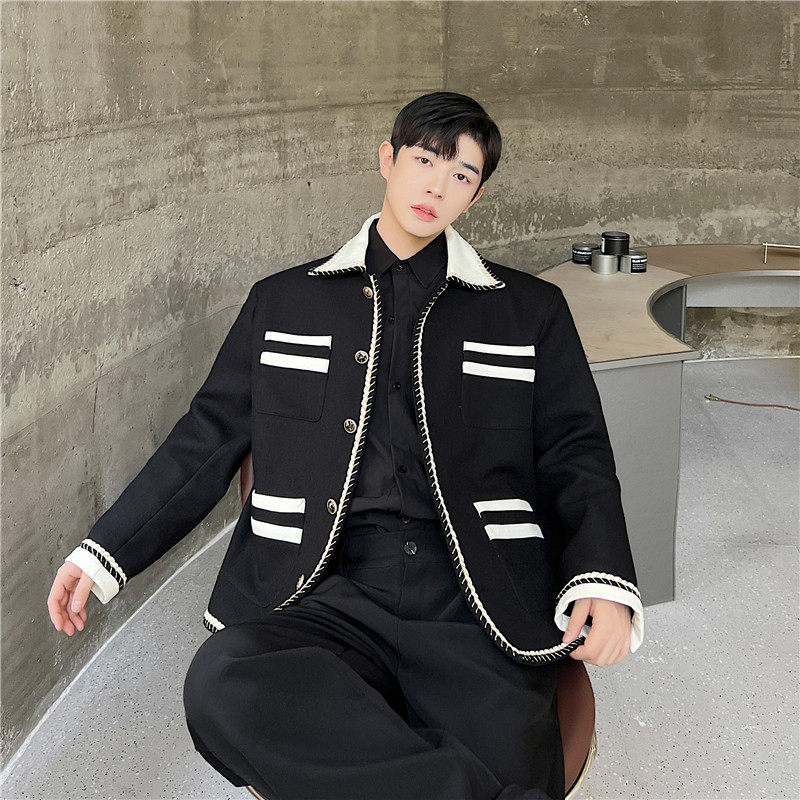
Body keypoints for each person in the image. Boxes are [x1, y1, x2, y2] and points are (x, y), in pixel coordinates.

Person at [48, 92, 643, 800]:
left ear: (476, 194)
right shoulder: (283, 301)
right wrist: (103, 553)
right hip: (324, 590)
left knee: (520, 760)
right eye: (424, 160)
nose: (436, 186)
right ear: (387, 159)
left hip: (471, 594)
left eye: (461, 175)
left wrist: (604, 579)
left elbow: (575, 451)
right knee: (221, 686)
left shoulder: (528, 310)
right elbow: (206, 436)